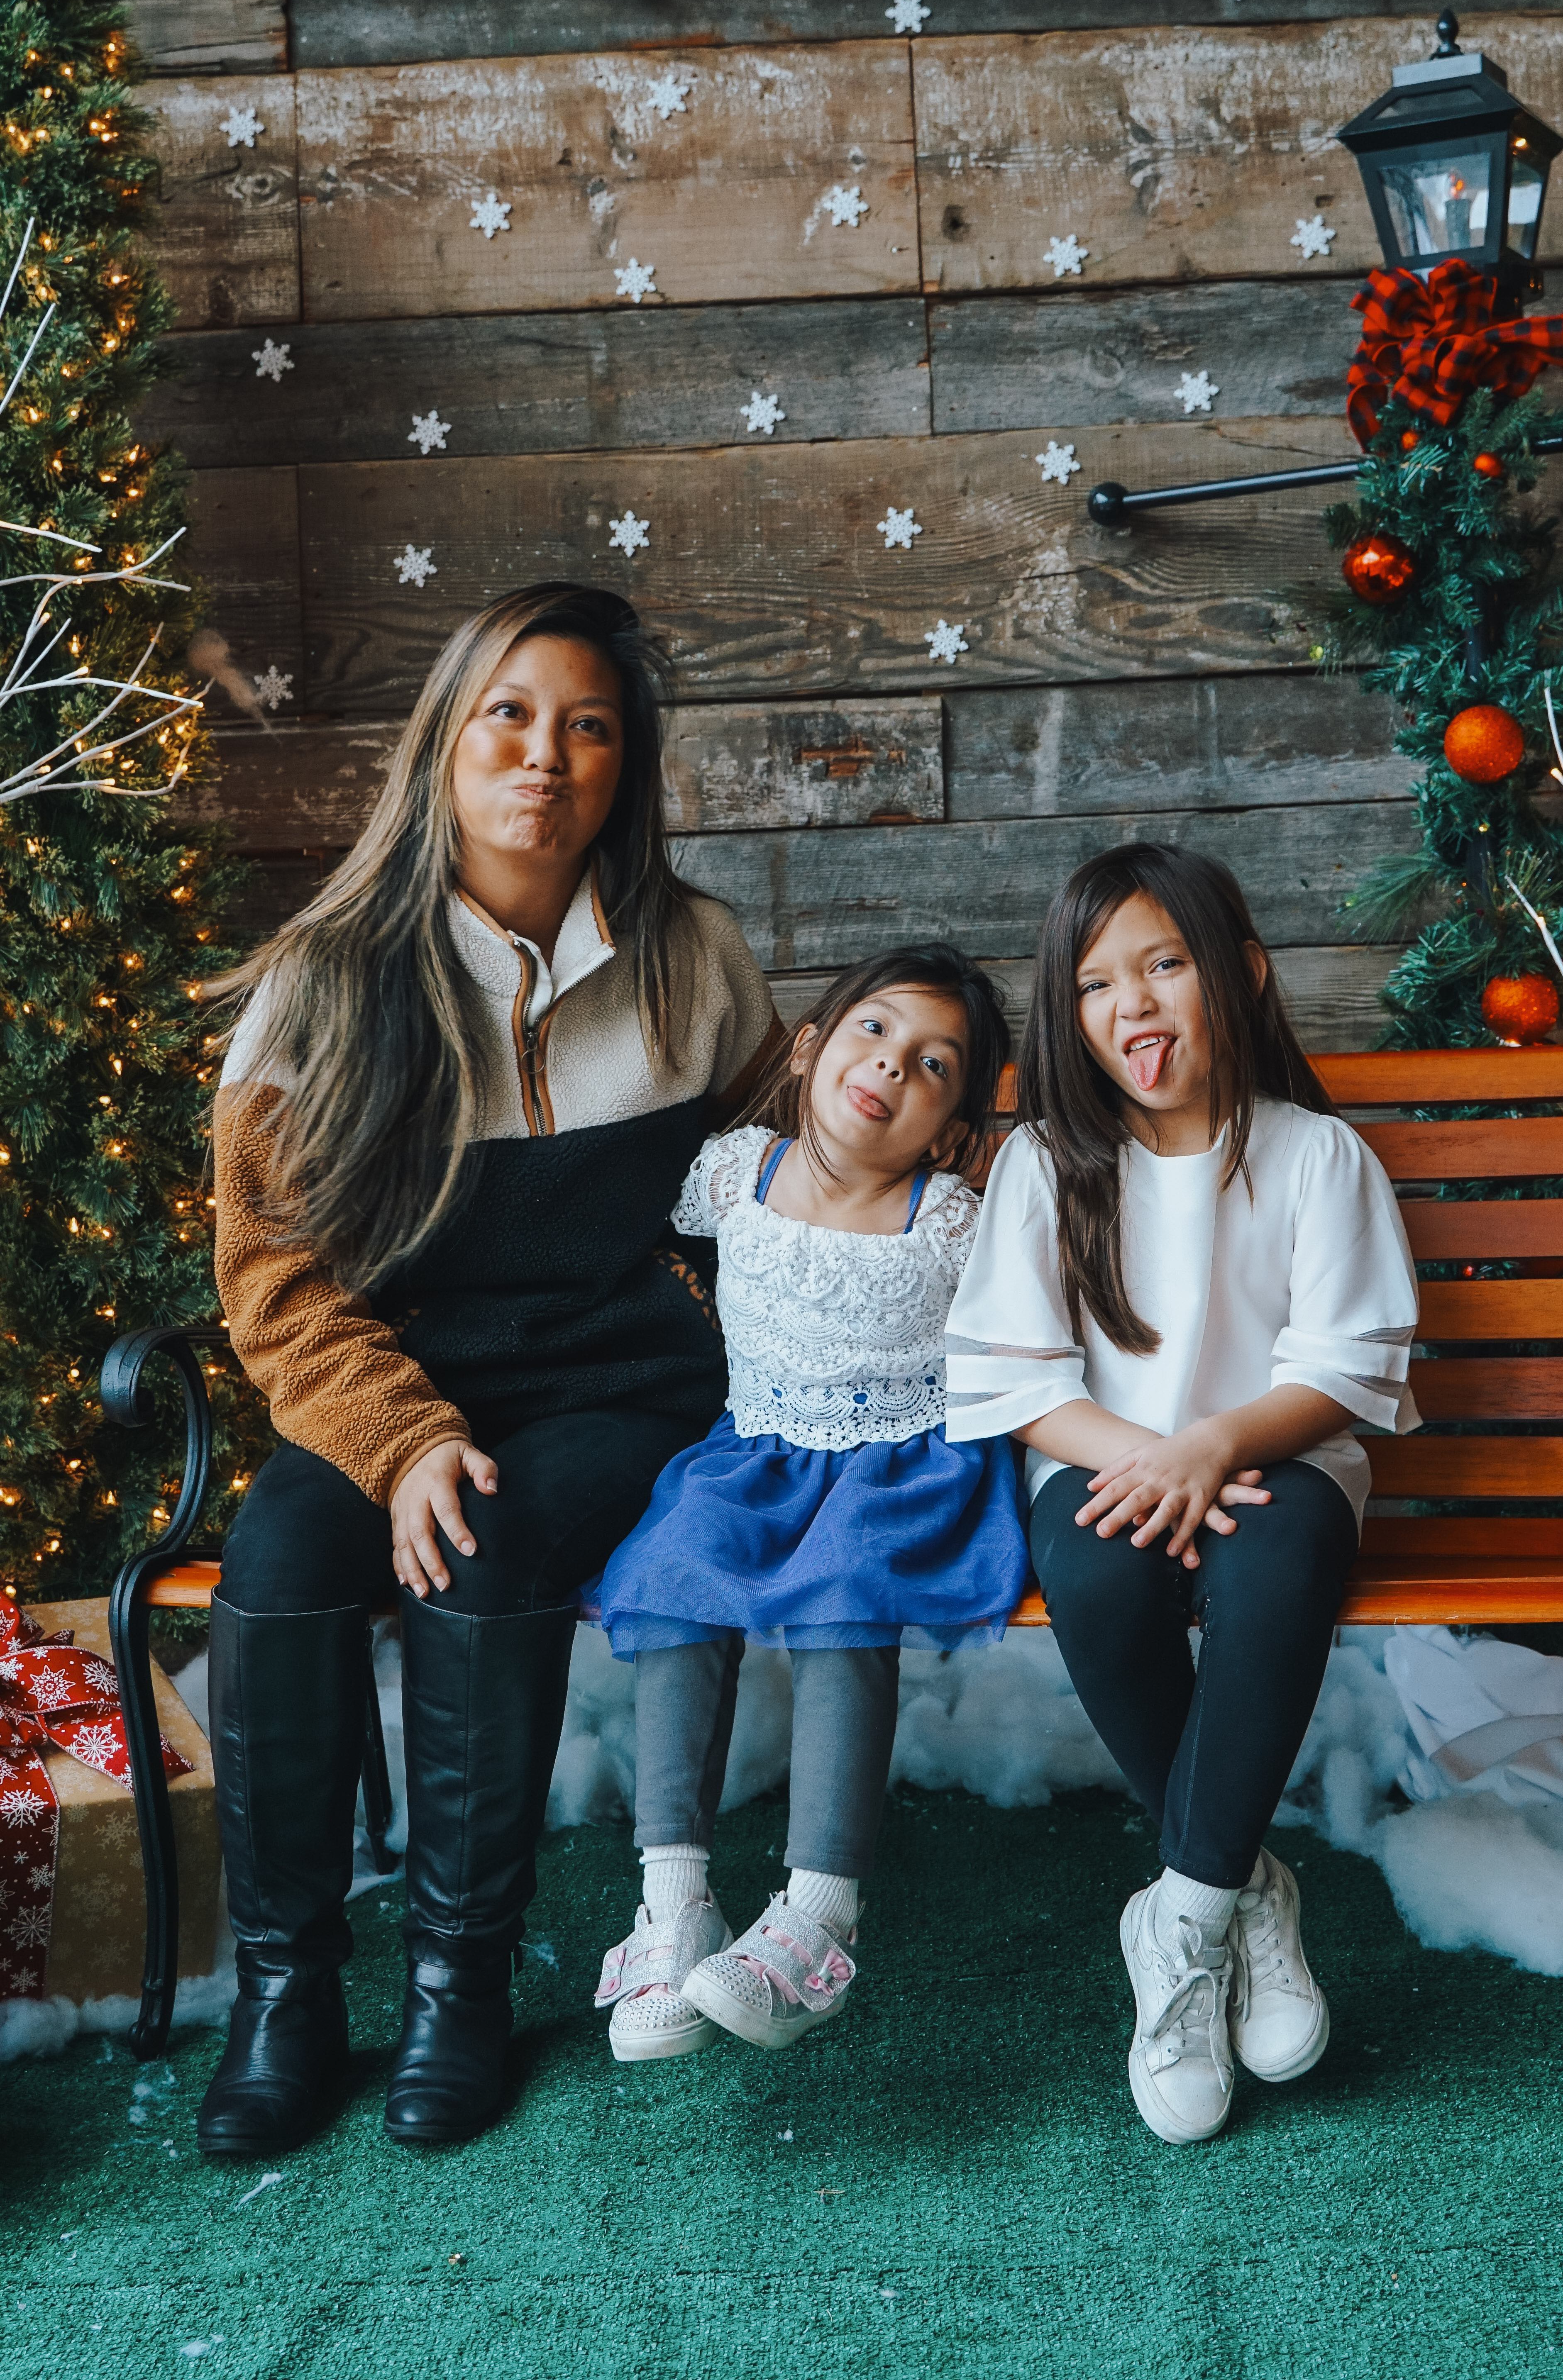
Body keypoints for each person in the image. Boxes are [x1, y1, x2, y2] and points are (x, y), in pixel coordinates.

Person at [200, 583, 780, 2155]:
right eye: (509, 718)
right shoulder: (325, 979)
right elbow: (272, 1277)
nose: (546, 757)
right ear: (445, 746)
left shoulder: (695, 957)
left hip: (615, 1384)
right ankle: (285, 1993)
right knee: (277, 1558)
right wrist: (399, 1442)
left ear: (626, 764)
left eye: (589, 727)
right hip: (389, 1383)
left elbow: (774, 1192)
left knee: (489, 1545)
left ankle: (458, 1985)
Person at [945, 844, 1419, 2147]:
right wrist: (1152, 1460)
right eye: (1097, 984)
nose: (1134, 1004)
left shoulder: (1316, 1155)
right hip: (1101, 1460)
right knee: (1100, 1571)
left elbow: (1344, 1366)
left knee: (1279, 1559)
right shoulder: (1048, 1163)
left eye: (1165, 965)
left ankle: (1183, 1920)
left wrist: (1213, 1448)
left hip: (1279, 1460)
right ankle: (1246, 1887)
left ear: (1242, 974)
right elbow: (1014, 1380)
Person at [591, 945, 1026, 2058]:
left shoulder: (949, 1219)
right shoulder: (736, 1173)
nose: (892, 1067)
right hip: (756, 1452)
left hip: (900, 1467)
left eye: (934, 1066)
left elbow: (1032, 1327)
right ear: (808, 1049)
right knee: (674, 1571)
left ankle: (818, 1914)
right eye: (874, 1031)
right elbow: (624, 1227)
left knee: (845, 1595)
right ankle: (673, 1903)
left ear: (951, 1129)